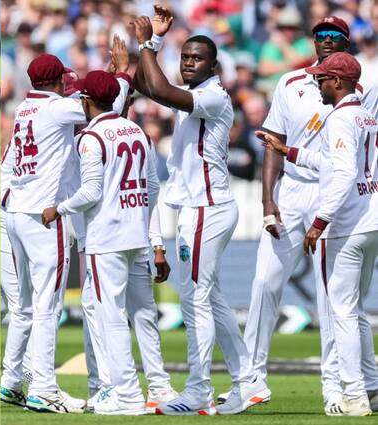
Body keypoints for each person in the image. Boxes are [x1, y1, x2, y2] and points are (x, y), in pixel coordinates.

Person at [234, 15, 378, 415]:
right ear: (312, 42)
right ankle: (252, 380)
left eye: (335, 36)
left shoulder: (366, 89)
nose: (327, 41)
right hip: (294, 190)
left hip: (337, 194)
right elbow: (273, 142)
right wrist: (268, 200)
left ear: (346, 44)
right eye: (320, 36)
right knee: (264, 281)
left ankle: (336, 387)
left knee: (333, 298)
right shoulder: (290, 83)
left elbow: (361, 154)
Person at [131, 7, 260, 415]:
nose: (188, 63)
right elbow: (148, 86)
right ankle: (249, 380)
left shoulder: (213, 96)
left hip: (207, 208)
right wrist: (141, 54)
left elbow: (162, 90)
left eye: (196, 58)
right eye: (184, 57)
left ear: (213, 65)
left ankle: (199, 390)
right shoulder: (194, 96)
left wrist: (149, 43)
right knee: (210, 298)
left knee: (195, 302)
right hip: (199, 209)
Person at [0, 52, 129, 414]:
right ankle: (43, 388)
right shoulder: (57, 109)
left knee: (23, 306)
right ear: (58, 81)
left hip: (15, 213)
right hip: (44, 216)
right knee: (46, 306)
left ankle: (12, 381)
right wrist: (120, 75)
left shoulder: (24, 109)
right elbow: (107, 106)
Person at [41, 69, 161, 415]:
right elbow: (152, 186)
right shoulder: (136, 131)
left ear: (86, 101)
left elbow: (90, 191)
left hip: (105, 237)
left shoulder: (91, 138)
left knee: (111, 315)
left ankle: (127, 395)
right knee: (141, 312)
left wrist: (58, 209)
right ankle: (153, 389)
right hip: (135, 233)